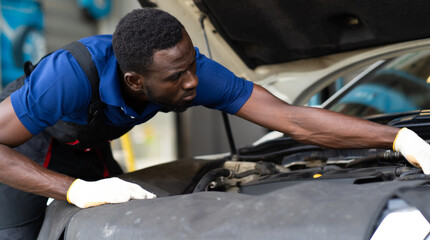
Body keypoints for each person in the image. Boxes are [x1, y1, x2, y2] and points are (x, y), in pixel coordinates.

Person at [0, 7, 429, 239]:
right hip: (23, 142)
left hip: (88, 140)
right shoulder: (67, 77)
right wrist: (74, 190)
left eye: (192, 66)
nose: (193, 83)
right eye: (176, 77)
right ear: (134, 80)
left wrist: (402, 140)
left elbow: (290, 118)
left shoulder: (188, 70)